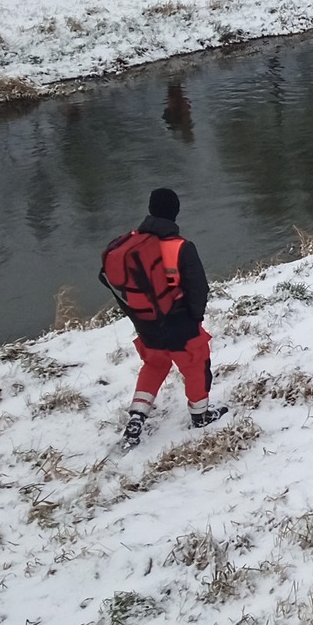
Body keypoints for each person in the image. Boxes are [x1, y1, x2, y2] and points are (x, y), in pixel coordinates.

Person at [99, 187, 227, 447]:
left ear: (150, 210)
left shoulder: (131, 244)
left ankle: (137, 417)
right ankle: (200, 415)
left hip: (145, 322)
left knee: (154, 365)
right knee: (195, 365)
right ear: (175, 212)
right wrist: (195, 318)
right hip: (179, 321)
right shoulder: (181, 247)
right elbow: (198, 287)